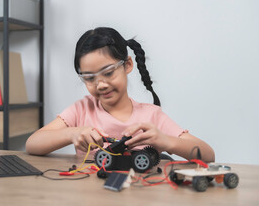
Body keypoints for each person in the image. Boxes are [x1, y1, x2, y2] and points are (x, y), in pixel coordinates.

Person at [26, 27, 215, 162]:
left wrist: (166, 141)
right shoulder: (82, 110)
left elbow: (208, 155)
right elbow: (32, 144)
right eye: (89, 78)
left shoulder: (151, 116)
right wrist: (72, 133)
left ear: (128, 65)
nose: (100, 85)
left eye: (108, 73)